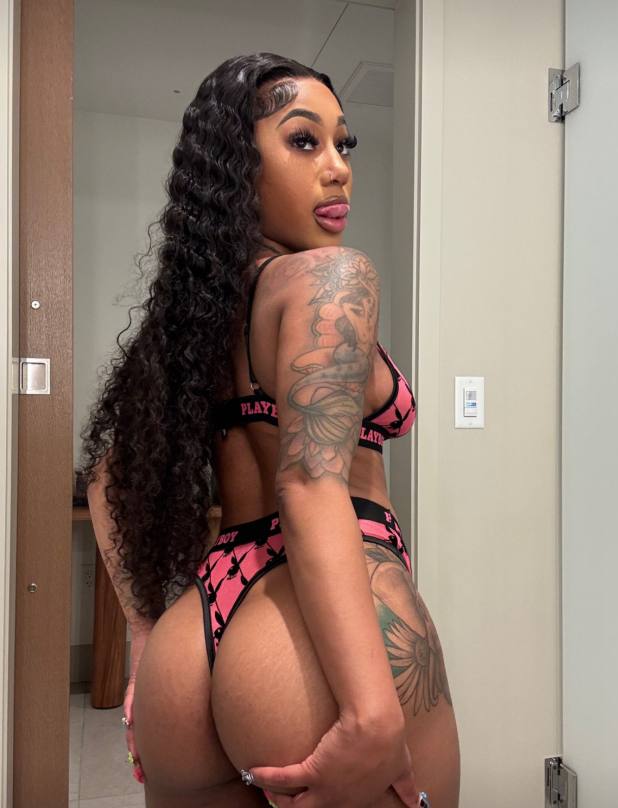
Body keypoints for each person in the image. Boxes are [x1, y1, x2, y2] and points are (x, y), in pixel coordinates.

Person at [81, 52, 460, 808]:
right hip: (311, 635)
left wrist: (148, 636)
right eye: (303, 140)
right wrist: (370, 709)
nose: (337, 169)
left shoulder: (188, 326)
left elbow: (106, 477)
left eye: (343, 143)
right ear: (237, 169)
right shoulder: (330, 281)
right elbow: (310, 482)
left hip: (197, 634)